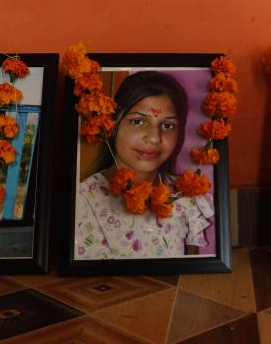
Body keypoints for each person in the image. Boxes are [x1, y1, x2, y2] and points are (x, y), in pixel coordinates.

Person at [74, 71, 214, 259]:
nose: (155, 138)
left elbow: (187, 276)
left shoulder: (185, 198)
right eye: (138, 122)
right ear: (112, 125)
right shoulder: (84, 202)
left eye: (167, 125)